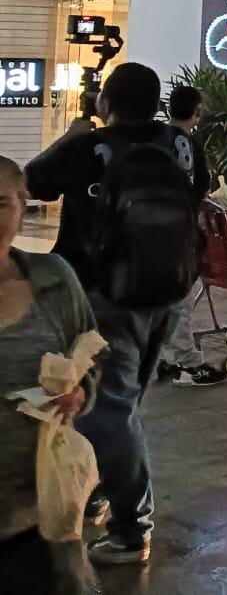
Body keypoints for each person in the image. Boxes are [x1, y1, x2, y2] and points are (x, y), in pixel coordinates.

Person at [24, 62, 208, 568]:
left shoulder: (92, 145)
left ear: (106, 103)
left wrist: (74, 134)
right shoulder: (182, 145)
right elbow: (198, 194)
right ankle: (104, 491)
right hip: (170, 290)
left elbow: (32, 183)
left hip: (104, 295)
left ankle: (131, 528)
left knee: (109, 411)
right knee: (122, 406)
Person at [0, 156, 98, 593]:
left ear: (23, 207)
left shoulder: (55, 280)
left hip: (37, 518)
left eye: (0, 203)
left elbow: (90, 359)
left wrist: (79, 392)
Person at [155, 85, 227, 388]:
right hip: (178, 232)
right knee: (180, 300)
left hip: (146, 231)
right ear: (197, 111)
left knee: (160, 298)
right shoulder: (190, 144)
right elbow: (202, 190)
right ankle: (188, 363)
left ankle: (164, 357)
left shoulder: (152, 138)